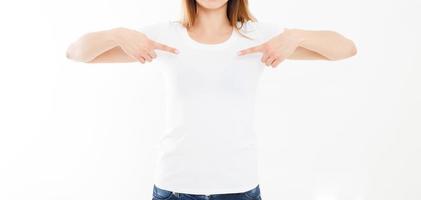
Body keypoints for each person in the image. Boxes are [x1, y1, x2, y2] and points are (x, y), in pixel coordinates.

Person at [66, 0, 357, 199]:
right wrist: (116, 34)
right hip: (174, 188)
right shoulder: (164, 35)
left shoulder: (259, 36)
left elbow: (345, 48)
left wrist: (297, 36)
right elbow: (76, 53)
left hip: (239, 188)